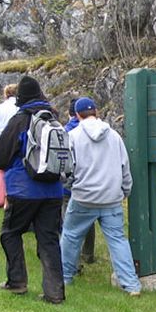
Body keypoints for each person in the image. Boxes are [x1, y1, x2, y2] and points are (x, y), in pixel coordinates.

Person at [0, 76, 65, 304]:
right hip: (54, 189)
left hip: (24, 190)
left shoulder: (20, 120)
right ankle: (55, 293)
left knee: (10, 233)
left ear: (20, 97)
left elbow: (0, 158)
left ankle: (17, 282)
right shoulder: (54, 118)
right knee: (49, 240)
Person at [60, 97, 141, 296]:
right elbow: (125, 167)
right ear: (96, 111)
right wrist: (124, 191)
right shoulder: (114, 136)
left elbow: (68, 169)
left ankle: (64, 276)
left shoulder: (73, 136)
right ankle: (131, 284)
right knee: (118, 240)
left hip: (83, 197)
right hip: (111, 197)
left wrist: (70, 187)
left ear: (77, 115)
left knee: (70, 236)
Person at [64, 97, 96, 266]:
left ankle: (72, 263)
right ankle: (88, 254)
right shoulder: (103, 131)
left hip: (73, 187)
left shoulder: (67, 132)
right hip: (93, 183)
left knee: (69, 227)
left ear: (73, 114)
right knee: (89, 222)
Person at [0, 83, 19, 208]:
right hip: (17, 141)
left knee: (0, 170)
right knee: (15, 168)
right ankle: (11, 197)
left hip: (1, 141)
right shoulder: (20, 108)